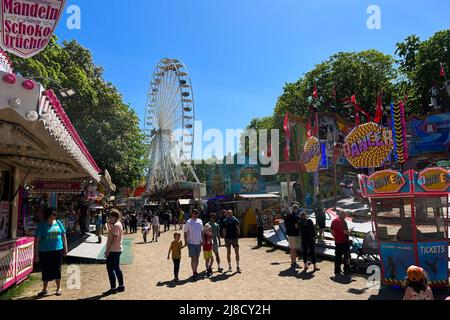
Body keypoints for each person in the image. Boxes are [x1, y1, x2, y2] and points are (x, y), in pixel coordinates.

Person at [34, 208, 68, 297]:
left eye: (56, 214)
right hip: (45, 252)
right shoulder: (41, 225)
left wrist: (65, 248)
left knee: (57, 269)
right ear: (48, 215)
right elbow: (36, 241)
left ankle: (58, 288)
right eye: (54, 214)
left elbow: (64, 235)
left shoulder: (58, 223)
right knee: (45, 270)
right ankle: (44, 289)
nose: (55, 216)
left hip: (58, 250)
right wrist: (36, 254)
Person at [104, 209, 125, 295]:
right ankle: (121, 286)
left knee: (110, 268)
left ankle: (113, 288)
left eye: (110, 217)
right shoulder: (117, 224)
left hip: (114, 250)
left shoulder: (116, 225)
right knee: (116, 268)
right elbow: (113, 234)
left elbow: (114, 238)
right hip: (116, 249)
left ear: (114, 217)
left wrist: (108, 250)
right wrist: (110, 227)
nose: (109, 219)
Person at [331, 210, 353, 276]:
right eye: (345, 215)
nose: (346, 216)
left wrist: (335, 236)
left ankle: (337, 271)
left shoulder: (334, 221)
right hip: (344, 241)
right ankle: (346, 270)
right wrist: (350, 232)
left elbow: (331, 231)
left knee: (338, 257)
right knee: (347, 256)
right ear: (342, 215)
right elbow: (345, 232)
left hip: (337, 242)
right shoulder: (343, 222)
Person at [184, 209, 204, 281]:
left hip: (198, 243)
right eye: (194, 213)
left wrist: (203, 240)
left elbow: (202, 231)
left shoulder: (200, 221)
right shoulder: (188, 222)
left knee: (197, 258)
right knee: (193, 258)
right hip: (191, 243)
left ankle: (195, 270)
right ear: (191, 213)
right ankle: (194, 272)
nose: (195, 214)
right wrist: (186, 241)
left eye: (196, 213)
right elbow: (185, 232)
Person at [284, 204, 301, 269]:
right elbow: (296, 226)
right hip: (294, 233)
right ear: (296, 209)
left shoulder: (287, 215)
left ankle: (292, 262)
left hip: (289, 233)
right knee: (294, 249)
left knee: (291, 249)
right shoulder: (295, 216)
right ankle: (294, 263)